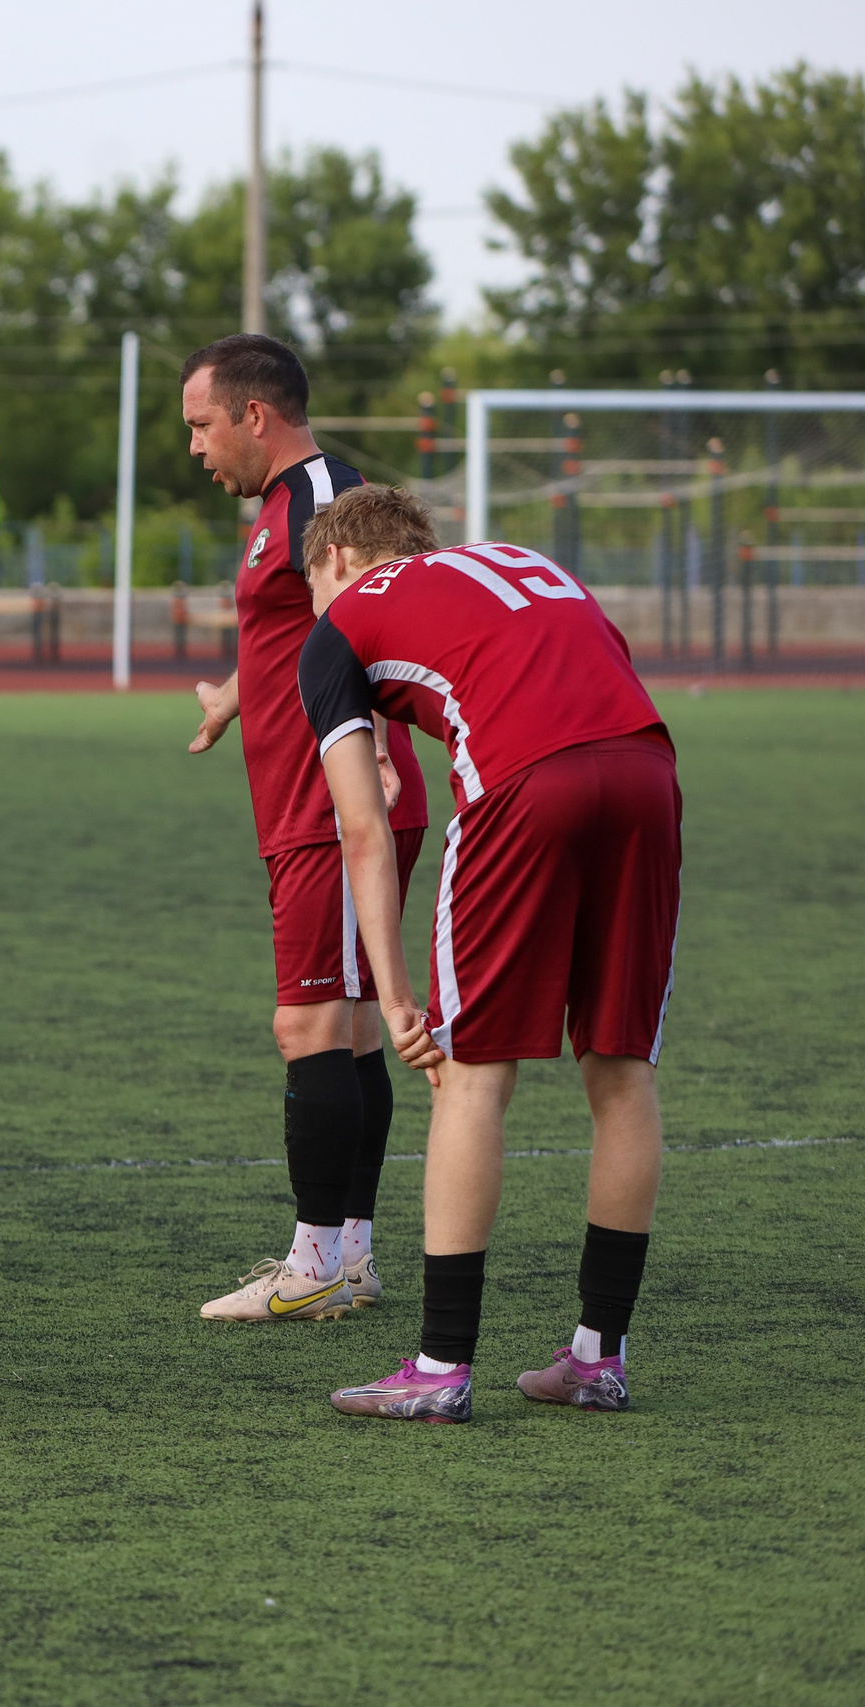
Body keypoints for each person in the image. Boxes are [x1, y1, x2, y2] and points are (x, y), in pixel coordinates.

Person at [292, 487, 680, 1424]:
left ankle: (441, 1363)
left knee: (472, 1075)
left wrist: (390, 996)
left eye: (311, 582)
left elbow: (361, 830)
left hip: (524, 784)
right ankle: (599, 1356)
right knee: (621, 1071)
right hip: (646, 769)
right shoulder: (516, 561)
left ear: (338, 559)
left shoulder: (338, 622)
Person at [178, 333, 431, 1323]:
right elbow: (301, 625)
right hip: (309, 801)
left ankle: (317, 1260)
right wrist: (235, 696)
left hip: (335, 806)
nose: (196, 448)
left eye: (202, 425)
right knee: (350, 1027)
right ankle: (348, 1257)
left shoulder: (325, 490)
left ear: (253, 416)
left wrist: (368, 749)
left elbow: (385, 616)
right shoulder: (286, 509)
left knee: (311, 1023)